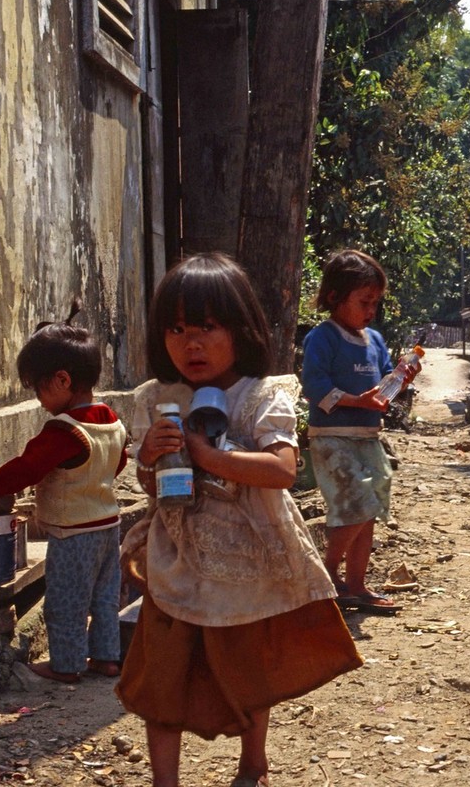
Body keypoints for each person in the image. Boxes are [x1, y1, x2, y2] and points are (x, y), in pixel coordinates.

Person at [118, 253, 362, 787]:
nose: (191, 344)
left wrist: (207, 456)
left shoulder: (259, 395)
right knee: (162, 676)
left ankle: (253, 767)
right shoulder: (157, 399)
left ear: (242, 329)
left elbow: (281, 469)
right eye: (176, 329)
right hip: (176, 559)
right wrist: (148, 460)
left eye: (206, 327)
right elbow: (150, 487)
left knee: (246, 671)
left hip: (245, 561)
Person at [0, 305, 128, 684]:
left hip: (73, 532)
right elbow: (118, 464)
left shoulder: (63, 431)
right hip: (109, 527)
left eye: (38, 388)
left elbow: (27, 467)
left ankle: (66, 664)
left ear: (62, 380)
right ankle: (107, 658)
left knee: (66, 602)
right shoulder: (111, 420)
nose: (38, 400)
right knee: (104, 598)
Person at [300, 249, 419, 616]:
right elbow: (315, 387)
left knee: (370, 509)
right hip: (332, 437)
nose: (370, 311)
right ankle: (326, 574)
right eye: (364, 302)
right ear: (335, 297)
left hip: (367, 437)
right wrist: (357, 400)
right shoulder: (323, 338)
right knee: (354, 506)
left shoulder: (375, 340)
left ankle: (355, 585)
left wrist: (400, 378)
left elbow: (383, 386)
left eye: (375, 303)